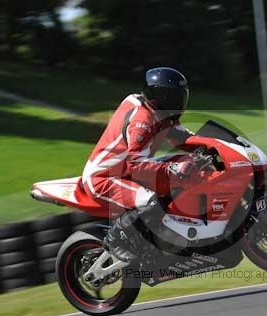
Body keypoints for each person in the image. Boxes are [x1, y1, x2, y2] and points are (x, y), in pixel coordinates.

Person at [82, 67, 199, 262]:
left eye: (181, 96)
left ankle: (165, 237)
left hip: (128, 171)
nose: (179, 102)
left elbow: (183, 138)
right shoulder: (141, 120)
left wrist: (215, 146)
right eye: (174, 96)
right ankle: (115, 240)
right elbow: (135, 165)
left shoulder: (161, 112)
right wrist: (172, 169)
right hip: (105, 177)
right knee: (148, 199)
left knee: (187, 168)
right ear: (160, 96)